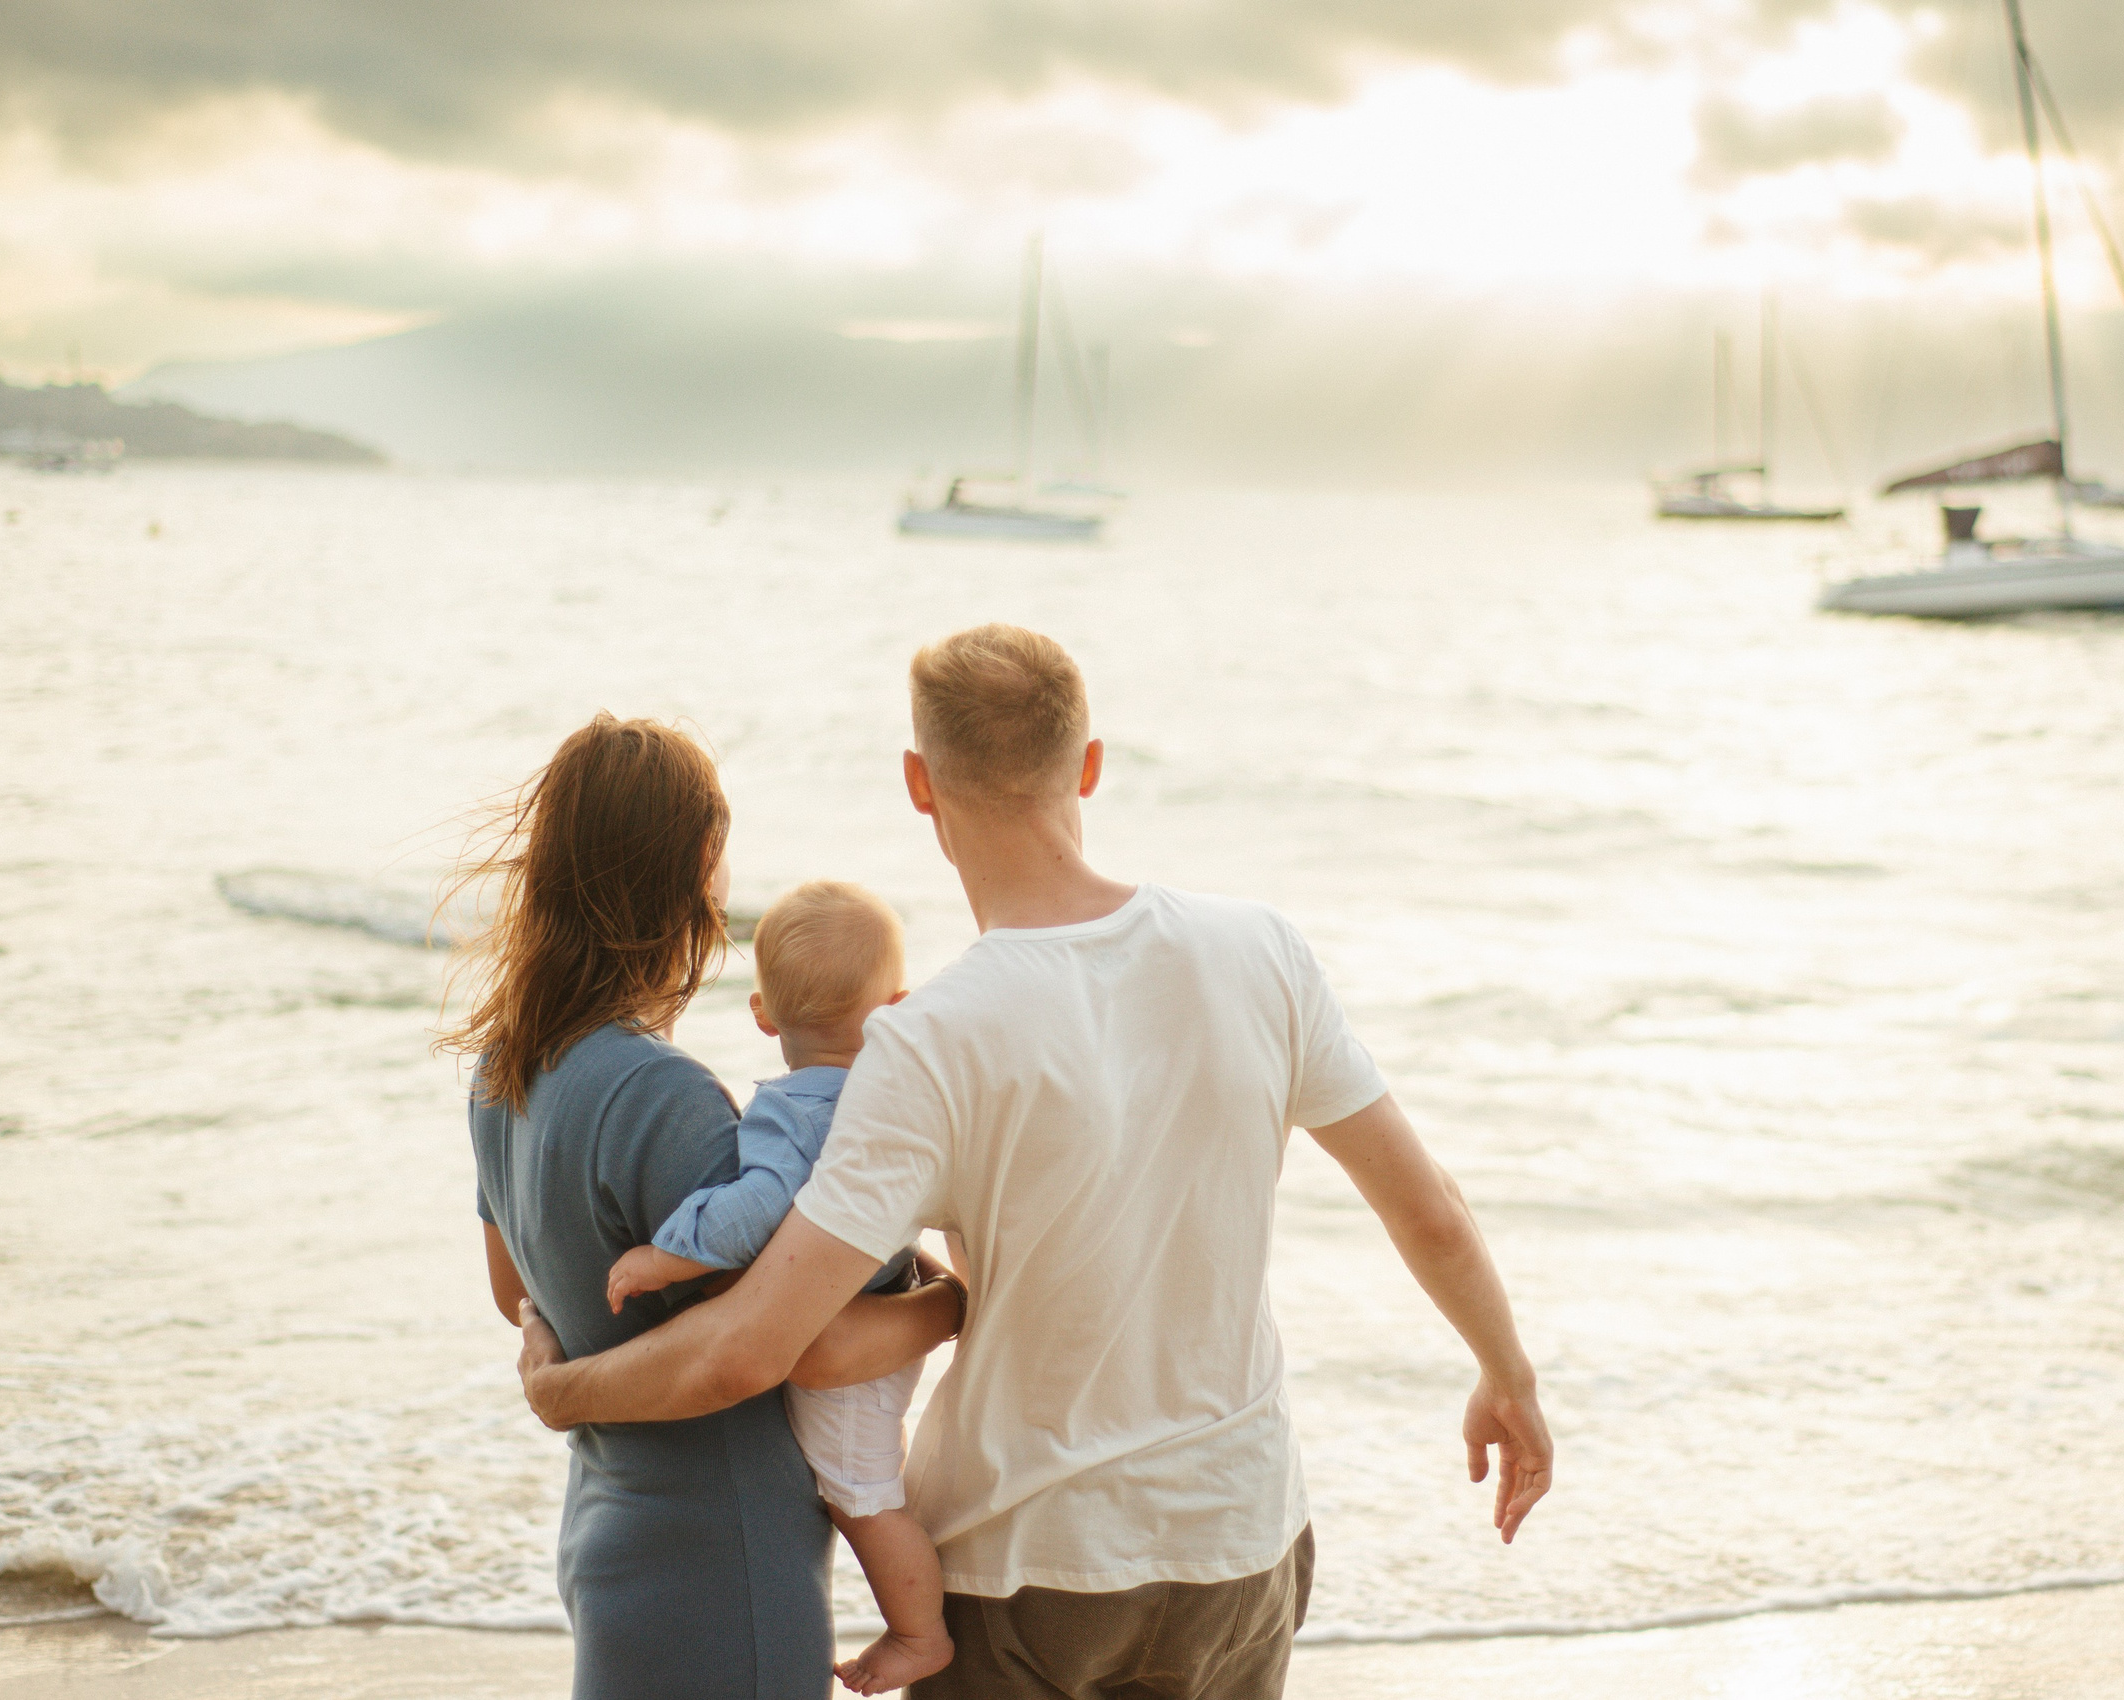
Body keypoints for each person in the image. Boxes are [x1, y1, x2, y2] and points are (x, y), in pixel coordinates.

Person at [515, 631, 1553, 1700]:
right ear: (1089, 765)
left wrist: (564, 1391)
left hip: (1030, 1568)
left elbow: (765, 1349)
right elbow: (1429, 1209)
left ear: (921, 785)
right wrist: (1505, 1372)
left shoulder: (929, 1042)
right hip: (1242, 1540)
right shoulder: (1263, 951)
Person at [450, 714, 963, 1700]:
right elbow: (784, 1344)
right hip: (723, 1556)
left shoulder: (499, 1070)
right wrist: (957, 1301)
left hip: (606, 1532)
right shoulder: (664, 1097)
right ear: (698, 866)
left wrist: (572, 1380)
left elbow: (517, 1291)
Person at [603, 880, 955, 1696]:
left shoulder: (790, 1114)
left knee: (861, 1497)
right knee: (870, 1471)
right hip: (891, 1303)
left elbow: (754, 1209)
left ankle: (919, 1634)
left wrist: (667, 1254)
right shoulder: (891, 1101)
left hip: (847, 1333)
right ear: (892, 1010)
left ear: (763, 1014)